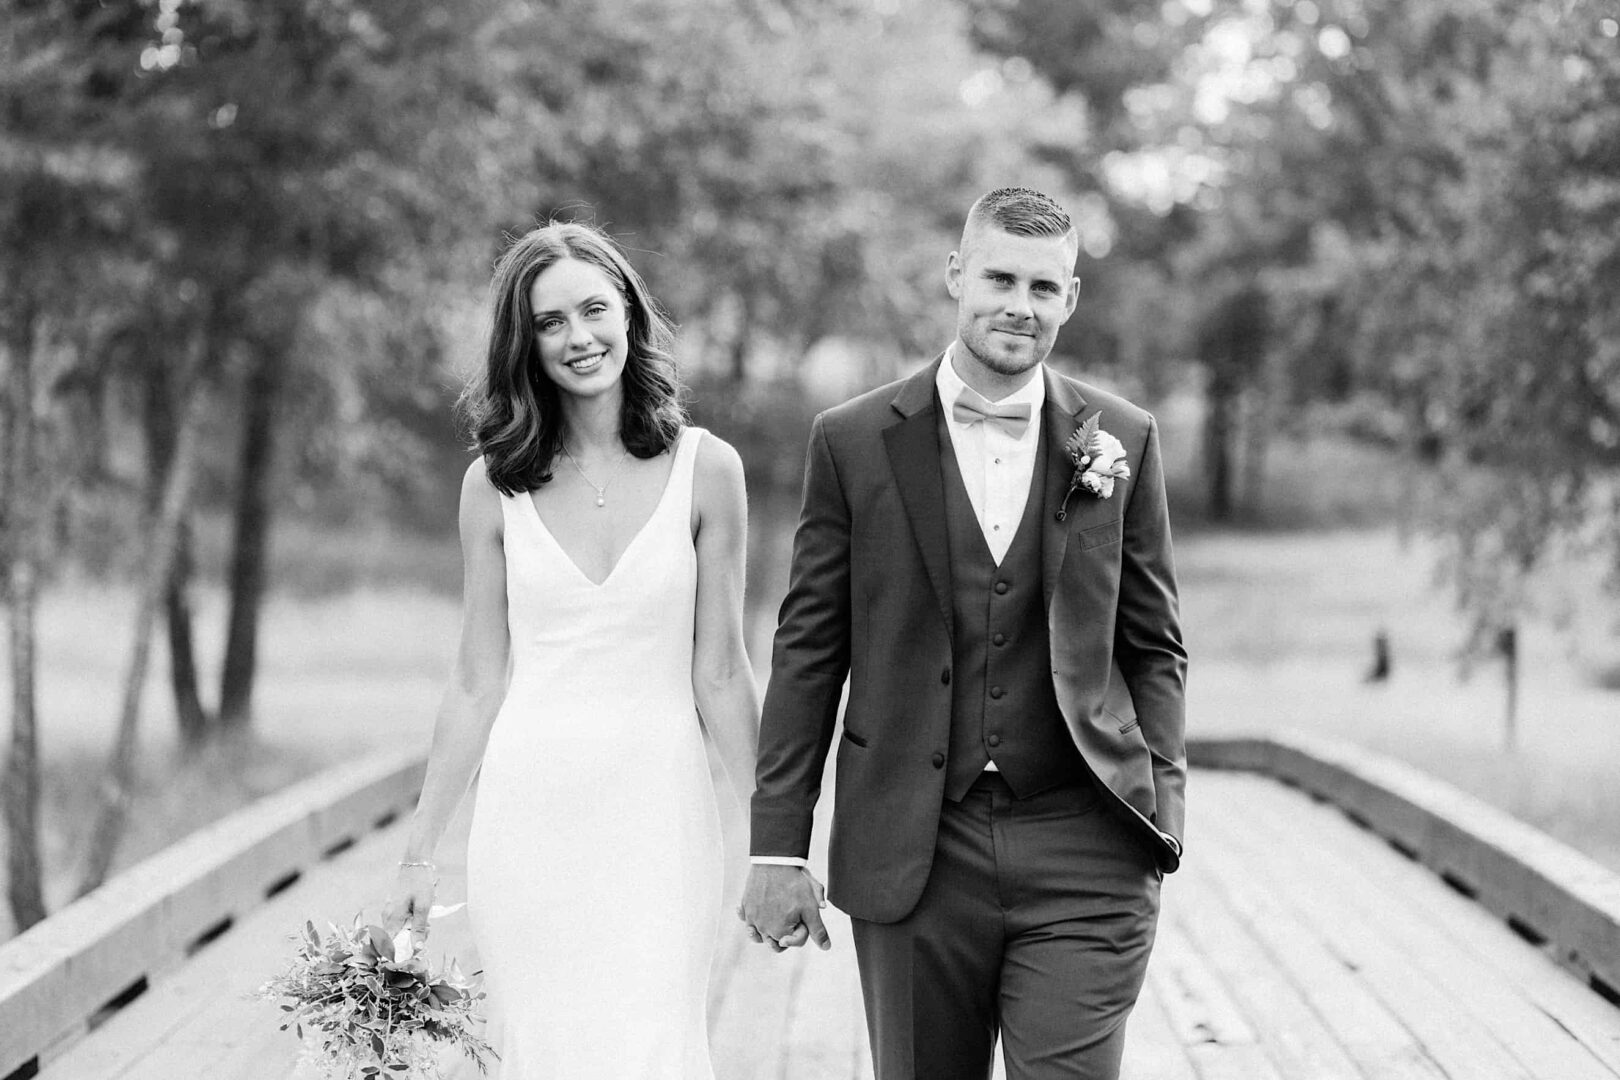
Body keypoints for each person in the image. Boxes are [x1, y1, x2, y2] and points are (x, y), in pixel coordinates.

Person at [740, 187, 1187, 1080]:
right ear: (956, 275)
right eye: (1000, 278)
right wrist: (779, 845)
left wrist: (1159, 810)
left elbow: (1154, 643)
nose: (1021, 306)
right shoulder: (853, 441)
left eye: (1045, 287)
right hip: (914, 846)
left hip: (1086, 846)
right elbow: (809, 651)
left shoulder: (1122, 439)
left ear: (1069, 299)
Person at [383, 221, 759, 1079]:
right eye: (550, 322)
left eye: (594, 309)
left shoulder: (709, 471)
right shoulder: (493, 483)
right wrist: (419, 852)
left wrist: (782, 841)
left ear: (628, 311)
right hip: (529, 816)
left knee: (658, 1048)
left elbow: (723, 672)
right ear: (525, 342)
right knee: (545, 1052)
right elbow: (478, 679)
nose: (579, 337)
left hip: (661, 813)